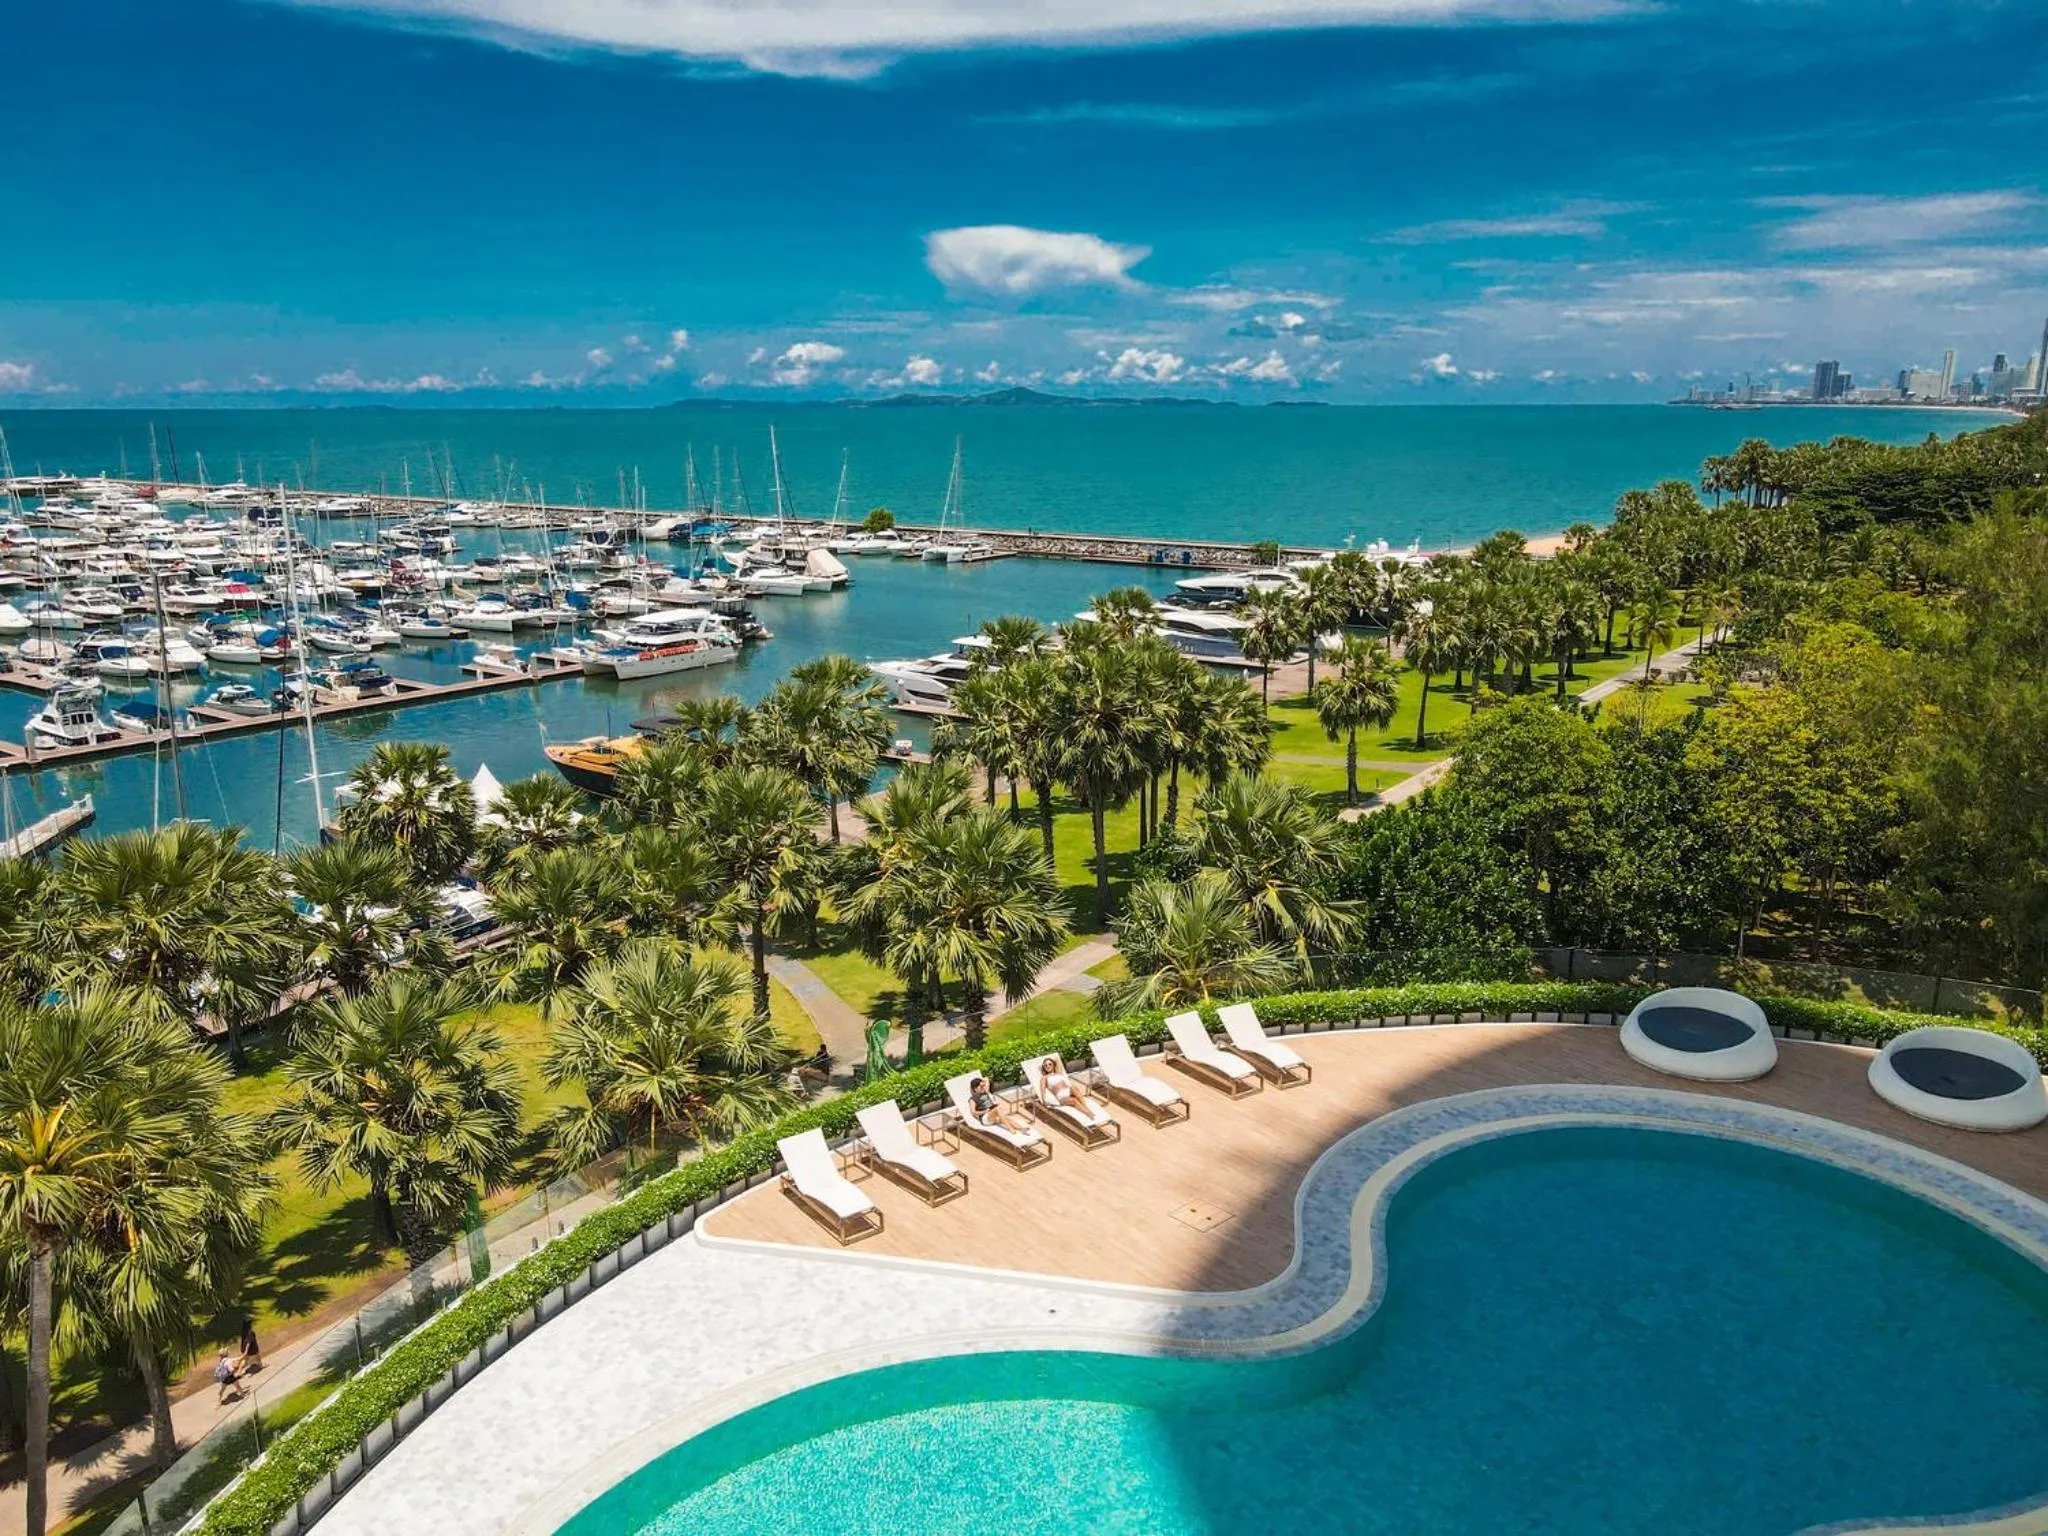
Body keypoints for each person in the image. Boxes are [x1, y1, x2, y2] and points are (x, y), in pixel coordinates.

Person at [1038, 1054, 1109, 1121]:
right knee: (1074, 1101)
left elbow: (1057, 1059)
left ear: (1053, 1065)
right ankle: (1090, 1114)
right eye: (1045, 1065)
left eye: (1050, 1064)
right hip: (1061, 1096)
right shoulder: (1044, 1078)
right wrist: (1044, 1101)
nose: (1048, 1066)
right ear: (1044, 1068)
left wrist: (1053, 1061)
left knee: (1073, 1087)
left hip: (1068, 1090)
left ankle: (1086, 1107)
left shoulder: (1058, 1073)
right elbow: (1042, 1090)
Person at [966, 1074, 1034, 1136]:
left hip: (993, 1114)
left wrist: (982, 1082)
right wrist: (985, 1111)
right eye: (981, 1086)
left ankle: (1022, 1128)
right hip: (985, 1118)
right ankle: (1010, 1129)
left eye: (983, 1086)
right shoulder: (972, 1099)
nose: (983, 1087)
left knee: (1006, 1118)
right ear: (975, 1088)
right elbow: (973, 1112)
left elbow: (986, 1078)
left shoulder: (985, 1092)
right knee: (997, 1109)